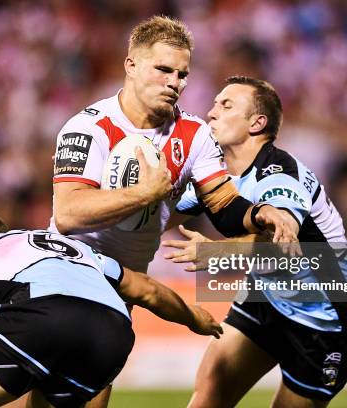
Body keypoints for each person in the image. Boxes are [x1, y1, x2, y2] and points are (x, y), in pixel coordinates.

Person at [50, 16, 297, 407]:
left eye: (182, 75)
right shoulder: (89, 128)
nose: (175, 83)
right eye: (163, 69)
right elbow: (69, 213)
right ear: (131, 66)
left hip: (119, 296)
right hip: (62, 279)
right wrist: (144, 193)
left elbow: (223, 204)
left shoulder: (193, 134)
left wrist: (259, 213)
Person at [163, 76, 347, 408]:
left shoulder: (280, 174)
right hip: (267, 297)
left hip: (327, 318)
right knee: (210, 388)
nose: (211, 112)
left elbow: (282, 240)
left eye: (226, 105)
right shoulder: (213, 175)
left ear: (257, 123)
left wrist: (215, 252)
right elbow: (159, 219)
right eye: (215, 103)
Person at [0, 209, 223, 408]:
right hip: (113, 334)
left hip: (43, 319)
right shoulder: (69, 248)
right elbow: (147, 290)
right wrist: (194, 317)